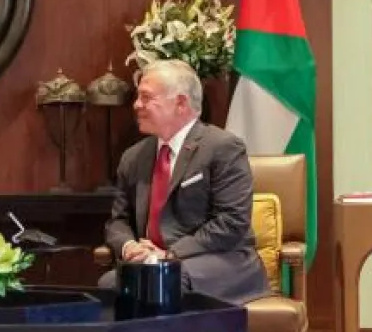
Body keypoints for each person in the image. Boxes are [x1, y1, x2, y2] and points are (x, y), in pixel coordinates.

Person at [100, 59, 270, 305]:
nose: (137, 105)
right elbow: (118, 220)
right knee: (108, 283)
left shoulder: (222, 148)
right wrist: (128, 247)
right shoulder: (134, 157)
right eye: (138, 97)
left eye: (146, 98)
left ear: (180, 103)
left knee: (165, 280)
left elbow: (231, 222)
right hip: (152, 264)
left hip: (217, 260)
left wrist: (170, 254)